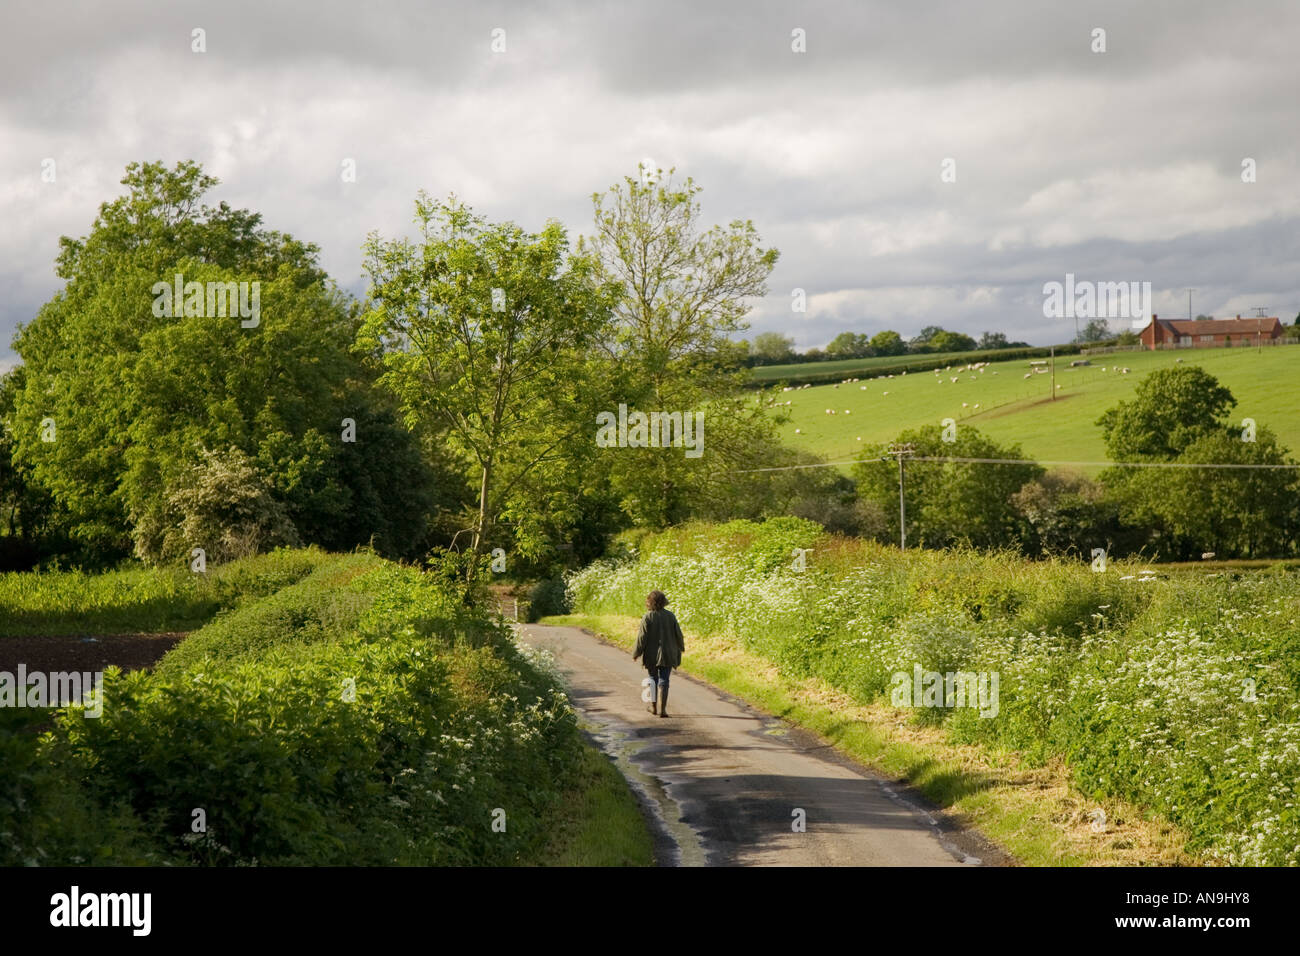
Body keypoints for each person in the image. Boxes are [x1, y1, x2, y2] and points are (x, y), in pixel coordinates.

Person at [632, 590, 685, 718]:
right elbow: (678, 634)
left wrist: (637, 652)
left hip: (651, 654)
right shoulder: (670, 616)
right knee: (664, 680)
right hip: (668, 653)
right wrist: (681, 647)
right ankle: (663, 710)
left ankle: (654, 707)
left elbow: (642, 638)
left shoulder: (648, 617)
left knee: (653, 679)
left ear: (650, 602)